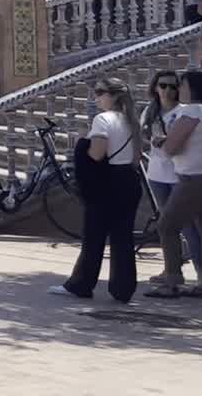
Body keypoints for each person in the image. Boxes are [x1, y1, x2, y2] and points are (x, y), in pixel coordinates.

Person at [54, 78, 142, 303]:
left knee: (94, 236)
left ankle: (81, 284)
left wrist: (83, 143)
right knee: (123, 238)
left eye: (100, 92)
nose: (96, 97)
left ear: (113, 96)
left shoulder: (102, 119)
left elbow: (96, 154)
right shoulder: (132, 120)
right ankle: (123, 289)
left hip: (108, 183)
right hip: (129, 181)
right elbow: (137, 157)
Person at [148, 70, 202, 299]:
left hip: (193, 178)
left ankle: (172, 280)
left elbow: (172, 148)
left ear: (193, 89)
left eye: (183, 85)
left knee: (167, 225)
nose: (179, 89)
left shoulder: (191, 111)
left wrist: (161, 142)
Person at [142, 69, 202, 287]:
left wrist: (168, 142)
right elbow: (145, 137)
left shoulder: (184, 112)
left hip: (180, 175)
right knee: (167, 225)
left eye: (172, 86)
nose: (167, 90)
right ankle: (172, 269)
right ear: (155, 88)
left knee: (188, 226)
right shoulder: (149, 111)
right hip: (157, 175)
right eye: (163, 86)